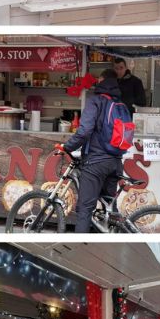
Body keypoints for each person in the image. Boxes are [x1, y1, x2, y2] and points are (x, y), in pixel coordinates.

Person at [58, 70, 126, 234]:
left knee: (85, 210)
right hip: (116, 162)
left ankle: (79, 249)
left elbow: (84, 131)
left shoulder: (95, 101)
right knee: (109, 208)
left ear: (102, 81)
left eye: (99, 79)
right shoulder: (121, 105)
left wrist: (67, 147)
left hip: (96, 163)